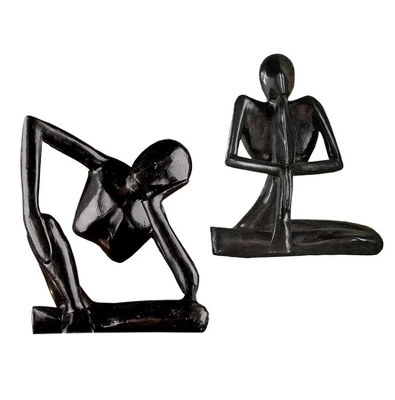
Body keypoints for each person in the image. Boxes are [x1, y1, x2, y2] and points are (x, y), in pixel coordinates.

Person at [21, 116, 199, 332]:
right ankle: (76, 309)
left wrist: (153, 205)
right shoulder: (106, 170)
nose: (152, 171)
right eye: (153, 163)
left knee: (197, 315)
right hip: (66, 285)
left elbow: (190, 286)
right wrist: (30, 207)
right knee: (44, 225)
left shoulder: (151, 216)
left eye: (161, 176)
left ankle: (80, 315)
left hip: (92, 308)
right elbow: (35, 126)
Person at [225, 54, 343, 253]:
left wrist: (289, 169)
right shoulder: (245, 105)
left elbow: (336, 161)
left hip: (281, 186)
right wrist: (280, 170)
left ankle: (282, 226)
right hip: (270, 198)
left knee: (365, 236)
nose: (282, 85)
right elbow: (231, 158)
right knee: (247, 231)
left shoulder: (309, 106)